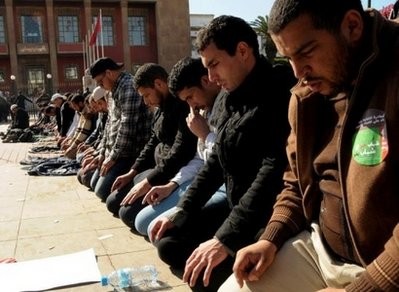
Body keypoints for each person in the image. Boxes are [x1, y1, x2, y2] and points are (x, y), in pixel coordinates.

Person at [218, 1, 399, 291]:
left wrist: (367, 287)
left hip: (383, 272)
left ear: (352, 26)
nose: (298, 72)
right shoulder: (308, 95)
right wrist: (271, 236)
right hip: (319, 250)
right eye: (287, 58)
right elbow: (295, 181)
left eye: (305, 52)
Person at [149, 15, 295, 291]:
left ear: (242, 51)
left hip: (266, 216)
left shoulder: (280, 92)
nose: (212, 78)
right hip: (235, 204)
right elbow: (216, 161)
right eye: (207, 68)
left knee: (203, 277)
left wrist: (224, 239)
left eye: (214, 65)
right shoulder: (229, 98)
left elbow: (272, 174)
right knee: (169, 242)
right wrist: (183, 209)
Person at [134, 56, 228, 236]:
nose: (191, 105)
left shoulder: (228, 106)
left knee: (164, 240)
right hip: (198, 180)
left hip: (222, 186)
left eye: (191, 97)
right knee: (143, 221)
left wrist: (205, 135)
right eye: (186, 100)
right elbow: (199, 160)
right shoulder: (203, 110)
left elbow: (222, 161)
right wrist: (172, 184)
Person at [105, 63, 198, 232]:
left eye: (147, 95)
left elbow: (180, 152)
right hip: (157, 170)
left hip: (172, 173)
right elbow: (152, 141)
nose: (145, 101)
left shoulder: (182, 106)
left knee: (128, 214)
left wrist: (150, 181)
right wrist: (132, 171)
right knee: (113, 202)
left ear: (159, 84)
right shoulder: (160, 108)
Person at [89, 57, 153, 202]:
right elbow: (109, 125)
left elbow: (127, 128)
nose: (101, 86)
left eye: (101, 82)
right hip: (115, 151)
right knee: (89, 179)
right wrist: (102, 153)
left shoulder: (128, 87)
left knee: (102, 192)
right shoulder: (111, 91)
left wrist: (112, 158)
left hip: (130, 152)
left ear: (109, 73)